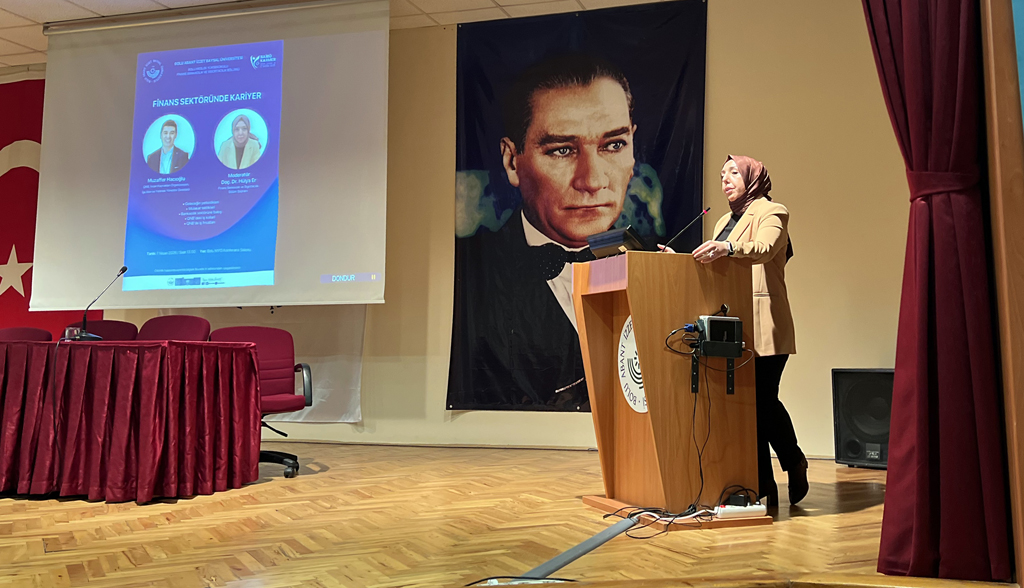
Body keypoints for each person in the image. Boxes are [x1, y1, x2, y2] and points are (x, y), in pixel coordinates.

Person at [447, 53, 637, 409]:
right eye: (562, 150)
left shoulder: (654, 263)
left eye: (614, 145)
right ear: (511, 161)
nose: (592, 180)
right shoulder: (467, 273)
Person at [689, 154, 808, 506]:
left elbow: (765, 249)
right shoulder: (722, 221)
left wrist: (727, 247)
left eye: (733, 173)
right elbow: (718, 268)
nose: (725, 179)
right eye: (722, 175)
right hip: (732, 326)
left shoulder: (773, 211)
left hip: (765, 323)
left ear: (753, 178)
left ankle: (792, 461)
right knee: (746, 405)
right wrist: (680, 261)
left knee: (762, 401)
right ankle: (763, 484)